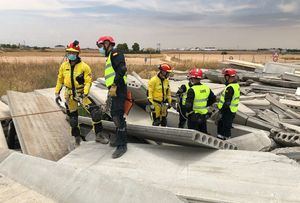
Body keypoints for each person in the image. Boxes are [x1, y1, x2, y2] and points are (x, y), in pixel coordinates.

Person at [55, 40, 108, 145]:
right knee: (73, 118)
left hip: (82, 94)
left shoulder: (84, 67)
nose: (71, 55)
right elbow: (60, 80)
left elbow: (88, 82)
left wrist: (85, 93)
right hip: (69, 95)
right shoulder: (64, 66)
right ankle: (77, 138)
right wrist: (57, 93)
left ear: (77, 54)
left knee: (95, 113)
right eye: (69, 52)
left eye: (73, 53)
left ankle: (99, 135)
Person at [96, 36, 128, 159]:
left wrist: (114, 83)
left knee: (117, 116)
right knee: (115, 115)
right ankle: (120, 139)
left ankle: (122, 145)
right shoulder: (110, 56)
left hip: (118, 88)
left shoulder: (116, 53)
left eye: (100, 46)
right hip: (115, 90)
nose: (100, 49)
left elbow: (122, 70)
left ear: (107, 43)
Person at [185, 68, 216, 133]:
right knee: (203, 133)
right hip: (204, 116)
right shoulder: (206, 88)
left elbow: (188, 105)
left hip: (194, 116)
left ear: (192, 78)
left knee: (193, 135)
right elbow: (213, 99)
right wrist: (205, 105)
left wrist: (188, 112)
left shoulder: (192, 89)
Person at [217, 68, 240, 140]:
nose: (225, 78)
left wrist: (221, 111)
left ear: (228, 77)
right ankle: (221, 138)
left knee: (225, 127)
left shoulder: (229, 88)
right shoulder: (236, 85)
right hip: (232, 110)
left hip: (227, 110)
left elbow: (227, 102)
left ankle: (226, 141)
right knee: (224, 125)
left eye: (226, 77)